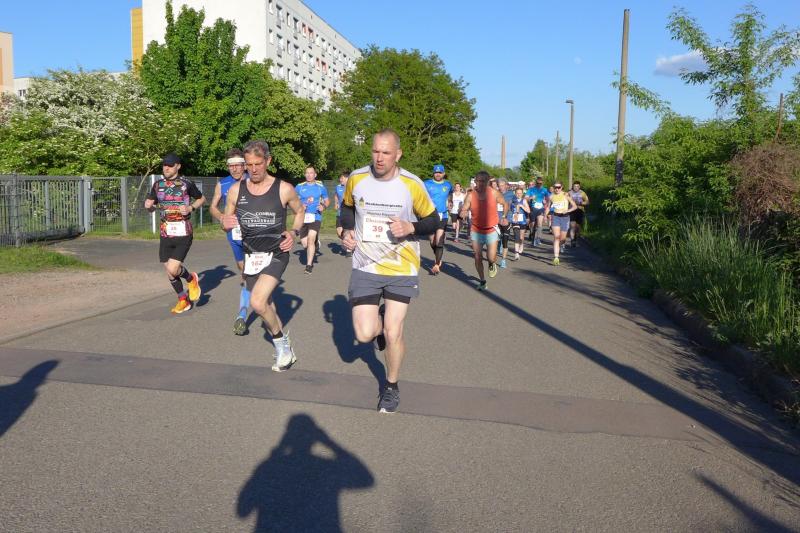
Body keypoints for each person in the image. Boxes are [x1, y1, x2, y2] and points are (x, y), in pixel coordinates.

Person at [340, 129, 438, 413]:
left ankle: (391, 386)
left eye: (386, 152)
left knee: (393, 332)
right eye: (375, 151)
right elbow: (347, 208)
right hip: (366, 264)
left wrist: (411, 227)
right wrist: (347, 230)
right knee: (364, 334)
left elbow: (434, 220)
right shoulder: (357, 178)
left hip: (401, 265)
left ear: (398, 154)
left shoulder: (411, 184)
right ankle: (379, 321)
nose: (379, 158)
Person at [221, 140, 305, 372]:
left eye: (258, 164)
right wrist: (224, 222)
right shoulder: (236, 190)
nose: (253, 169)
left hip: (277, 253)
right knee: (267, 306)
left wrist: (293, 232)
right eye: (249, 165)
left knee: (257, 302)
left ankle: (282, 346)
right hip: (251, 256)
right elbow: (226, 221)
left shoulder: (283, 188)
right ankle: (284, 346)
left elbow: (300, 211)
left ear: (268, 161)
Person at [144, 153, 205, 314]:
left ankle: (191, 279)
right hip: (165, 232)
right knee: (170, 271)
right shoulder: (157, 185)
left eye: (170, 165)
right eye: (165, 165)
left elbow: (201, 199)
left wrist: (190, 208)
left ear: (178, 166)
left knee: (173, 268)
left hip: (183, 232)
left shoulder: (186, 184)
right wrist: (149, 206)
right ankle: (183, 300)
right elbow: (151, 206)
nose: (166, 168)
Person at [209, 148, 251, 335]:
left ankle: (242, 313)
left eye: (238, 165)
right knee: (243, 269)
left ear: (244, 165)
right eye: (231, 166)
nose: (234, 169)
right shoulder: (223, 183)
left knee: (250, 271)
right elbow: (212, 206)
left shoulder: (253, 179)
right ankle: (252, 293)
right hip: (233, 232)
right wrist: (222, 217)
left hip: (253, 231)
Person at [460, 170, 508, 291]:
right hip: (476, 230)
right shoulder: (471, 195)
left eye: (483, 181)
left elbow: (505, 204)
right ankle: (482, 281)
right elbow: (465, 207)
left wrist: (504, 216)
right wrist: (463, 212)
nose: (480, 183)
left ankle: (492, 264)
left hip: (491, 230)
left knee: (491, 257)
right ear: (475, 181)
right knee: (477, 256)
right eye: (478, 181)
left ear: (487, 182)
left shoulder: (494, 193)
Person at [295, 165, 329, 274]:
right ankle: (316, 244)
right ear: (305, 174)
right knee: (305, 244)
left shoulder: (320, 187)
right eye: (307, 173)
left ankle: (309, 265)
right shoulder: (299, 187)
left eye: (311, 173)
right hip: (303, 218)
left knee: (310, 240)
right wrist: (300, 206)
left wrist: (323, 206)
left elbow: (327, 201)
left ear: (315, 175)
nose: (309, 175)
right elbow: (293, 201)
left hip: (315, 216)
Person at [424, 164, 452, 275]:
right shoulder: (426, 184)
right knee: (432, 241)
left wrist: (450, 202)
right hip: (430, 215)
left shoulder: (448, 185)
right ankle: (438, 257)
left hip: (442, 215)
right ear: (433, 173)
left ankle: (436, 264)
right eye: (436, 172)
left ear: (443, 174)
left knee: (439, 241)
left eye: (440, 172)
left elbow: (450, 194)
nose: (438, 174)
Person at [549, 181, 578, 265]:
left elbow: (575, 206)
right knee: (556, 237)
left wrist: (567, 211)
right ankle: (556, 257)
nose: (557, 189)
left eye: (558, 187)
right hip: (555, 217)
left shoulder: (566, 195)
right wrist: (546, 215)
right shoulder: (551, 196)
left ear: (561, 187)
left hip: (565, 217)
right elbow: (548, 206)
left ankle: (561, 244)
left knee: (562, 238)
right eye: (555, 187)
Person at [526, 177, 550, 246]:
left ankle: (538, 238)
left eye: (540, 183)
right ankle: (532, 234)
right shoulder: (531, 189)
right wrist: (531, 198)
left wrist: (546, 201)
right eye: (538, 183)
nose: (539, 184)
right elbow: (526, 198)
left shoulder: (544, 190)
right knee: (532, 224)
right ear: (536, 183)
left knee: (539, 224)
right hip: (533, 208)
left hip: (541, 208)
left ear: (542, 183)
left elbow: (549, 198)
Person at [496, 178, 515, 268]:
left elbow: (516, 204)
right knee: (496, 238)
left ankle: (503, 260)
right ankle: (499, 243)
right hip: (496, 219)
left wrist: (515, 211)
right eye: (499, 186)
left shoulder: (511, 194)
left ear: (506, 185)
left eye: (503, 185)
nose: (501, 187)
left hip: (507, 219)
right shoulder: (496, 193)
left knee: (505, 240)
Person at [509, 186, 531, 260]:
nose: (519, 195)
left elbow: (528, 211)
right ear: (515, 193)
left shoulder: (524, 201)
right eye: (517, 193)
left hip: (522, 221)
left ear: (522, 194)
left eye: (520, 193)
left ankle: (521, 244)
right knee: (516, 236)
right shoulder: (512, 201)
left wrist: (522, 206)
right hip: (515, 220)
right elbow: (509, 210)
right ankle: (516, 253)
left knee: (521, 237)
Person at [333, 170, 350, 255]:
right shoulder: (338, 187)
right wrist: (336, 203)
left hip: (349, 214)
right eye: (340, 178)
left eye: (342, 178)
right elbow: (336, 195)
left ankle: (349, 251)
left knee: (348, 231)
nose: (340, 179)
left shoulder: (352, 187)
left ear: (347, 178)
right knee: (339, 233)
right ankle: (347, 241)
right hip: (340, 213)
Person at [568, 181, 589, 247]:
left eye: (577, 186)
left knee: (577, 227)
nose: (576, 187)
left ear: (579, 187)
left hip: (580, 210)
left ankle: (576, 240)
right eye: (575, 186)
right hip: (572, 211)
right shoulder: (569, 193)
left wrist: (581, 203)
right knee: (572, 226)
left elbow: (587, 202)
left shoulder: (582, 193)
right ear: (572, 186)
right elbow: (565, 201)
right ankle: (572, 241)